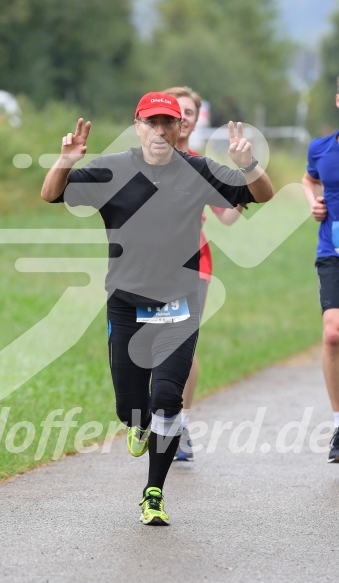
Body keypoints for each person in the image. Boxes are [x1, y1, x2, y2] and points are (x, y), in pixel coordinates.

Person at [41, 91, 274, 525]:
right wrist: (66, 160)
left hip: (179, 304)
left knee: (167, 398)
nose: (161, 131)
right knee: (130, 408)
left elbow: (262, 193)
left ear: (180, 127)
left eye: (169, 122)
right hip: (127, 305)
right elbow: (51, 195)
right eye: (153, 123)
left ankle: (153, 492)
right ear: (139, 125)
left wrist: (248, 164)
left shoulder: (198, 170)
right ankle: (136, 421)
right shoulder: (113, 169)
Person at [163, 86, 245, 462]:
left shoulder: (202, 167)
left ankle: (179, 426)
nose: (182, 118)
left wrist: (241, 184)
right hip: (146, 266)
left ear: (197, 120)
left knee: (182, 341)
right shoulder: (142, 162)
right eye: (175, 111)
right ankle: (158, 417)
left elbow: (226, 218)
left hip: (194, 263)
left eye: (190, 113)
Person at [302, 80, 339, 463]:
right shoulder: (321, 148)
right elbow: (308, 178)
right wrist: (313, 202)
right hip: (333, 251)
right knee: (332, 334)